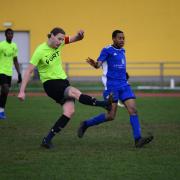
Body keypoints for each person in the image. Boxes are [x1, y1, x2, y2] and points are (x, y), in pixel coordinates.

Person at [18, 27, 112, 149]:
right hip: (51, 84)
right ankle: (104, 104)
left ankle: (47, 140)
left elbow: (76, 38)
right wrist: (21, 91)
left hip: (62, 81)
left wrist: (80, 35)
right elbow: (29, 70)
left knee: (69, 112)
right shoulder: (40, 50)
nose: (60, 42)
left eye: (62, 39)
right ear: (51, 36)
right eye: (58, 39)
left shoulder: (61, 43)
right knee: (74, 92)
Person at [77, 30, 153, 148]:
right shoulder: (107, 50)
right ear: (113, 39)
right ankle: (86, 124)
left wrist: (125, 76)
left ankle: (138, 139)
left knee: (133, 110)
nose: (122, 40)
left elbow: (120, 67)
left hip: (124, 85)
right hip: (112, 86)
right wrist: (95, 64)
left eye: (123, 38)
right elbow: (99, 64)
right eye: (119, 38)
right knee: (111, 115)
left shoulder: (123, 51)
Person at [0, 28, 22, 119]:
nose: (10, 35)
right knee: (5, 89)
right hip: (1, 71)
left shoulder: (14, 46)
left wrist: (19, 74)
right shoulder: (1, 45)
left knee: (5, 92)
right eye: (8, 34)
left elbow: (15, 61)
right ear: (5, 35)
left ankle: (1, 111)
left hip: (9, 72)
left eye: (12, 34)